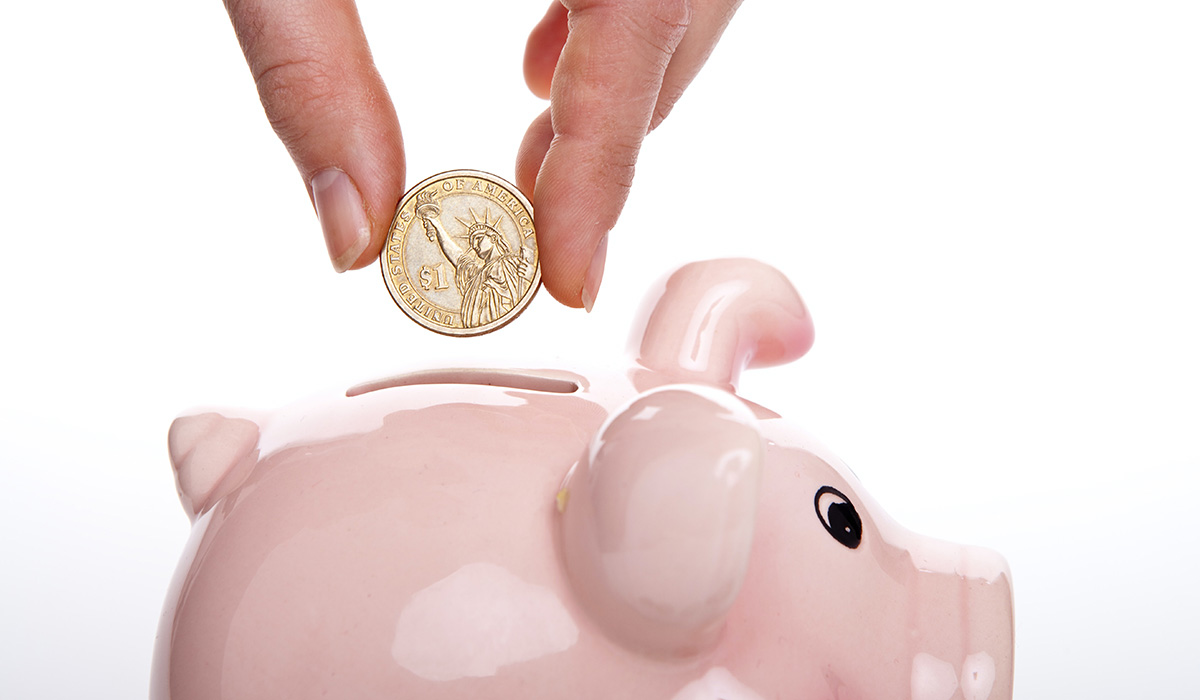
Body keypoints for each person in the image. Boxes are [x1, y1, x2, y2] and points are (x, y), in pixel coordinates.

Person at [221, 0, 743, 311]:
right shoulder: (474, 262)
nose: (480, 241)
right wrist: (429, 225)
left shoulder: (499, 268)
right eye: (481, 237)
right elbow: (449, 249)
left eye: (484, 236)